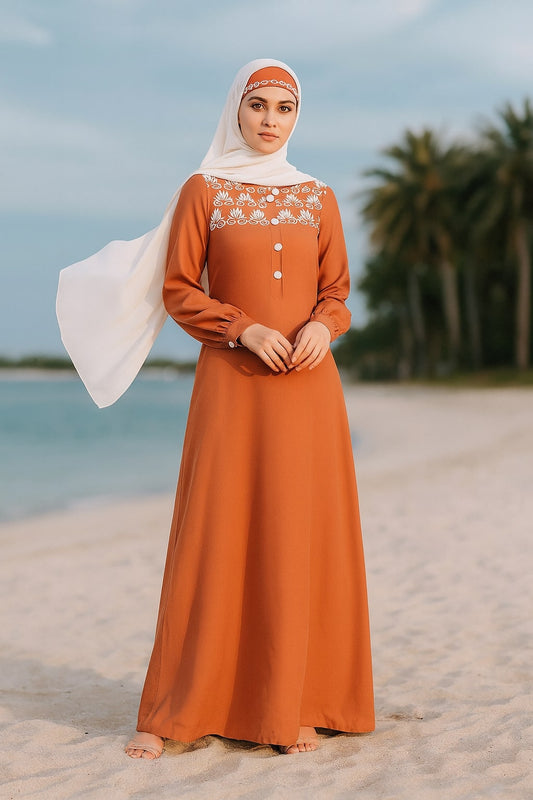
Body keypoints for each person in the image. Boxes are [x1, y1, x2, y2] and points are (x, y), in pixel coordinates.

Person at [62, 57, 374, 758]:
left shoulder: (318, 196)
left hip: (308, 388)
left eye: (284, 108)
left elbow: (337, 292)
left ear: (298, 117)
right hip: (232, 382)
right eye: (258, 104)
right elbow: (179, 288)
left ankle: (298, 701)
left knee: (300, 532)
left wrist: (323, 328)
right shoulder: (203, 190)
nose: (270, 120)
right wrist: (244, 328)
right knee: (215, 529)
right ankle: (174, 710)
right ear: (235, 109)